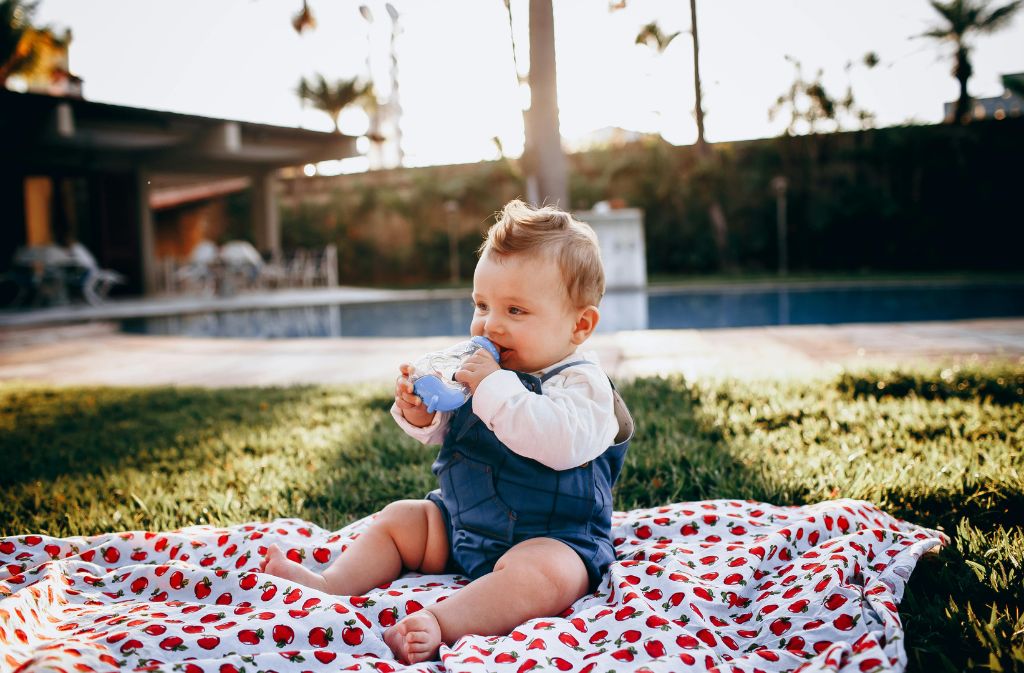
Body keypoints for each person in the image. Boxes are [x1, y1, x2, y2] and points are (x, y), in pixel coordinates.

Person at [259, 199, 634, 663]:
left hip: (553, 536)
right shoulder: (481, 368)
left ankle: (444, 620)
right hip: (464, 525)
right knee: (400, 518)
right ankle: (331, 583)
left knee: (547, 576)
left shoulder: (584, 385)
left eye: (515, 310)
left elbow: (557, 444)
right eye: (482, 305)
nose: (491, 324)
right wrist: (421, 413)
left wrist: (493, 387)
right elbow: (449, 431)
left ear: (580, 325)